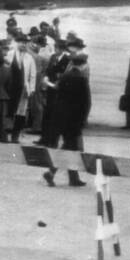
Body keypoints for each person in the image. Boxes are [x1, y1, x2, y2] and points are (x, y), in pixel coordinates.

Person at [42, 52, 91, 187]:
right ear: (82, 65)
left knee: (70, 147)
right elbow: (86, 103)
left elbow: (58, 97)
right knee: (69, 148)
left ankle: (72, 177)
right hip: (74, 121)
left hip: (61, 119)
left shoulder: (64, 77)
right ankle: (52, 172)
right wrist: (83, 120)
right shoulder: (82, 79)